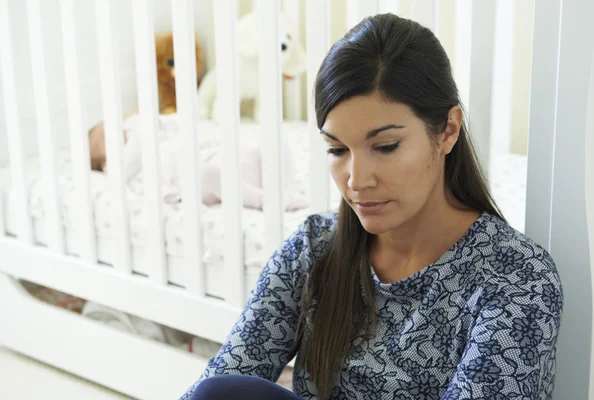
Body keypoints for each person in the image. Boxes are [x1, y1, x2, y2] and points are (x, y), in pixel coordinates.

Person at [181, 14, 563, 400]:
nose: (356, 179)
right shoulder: (313, 250)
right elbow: (223, 379)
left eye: (385, 147)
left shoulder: (516, 278)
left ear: (447, 130)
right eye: (337, 149)